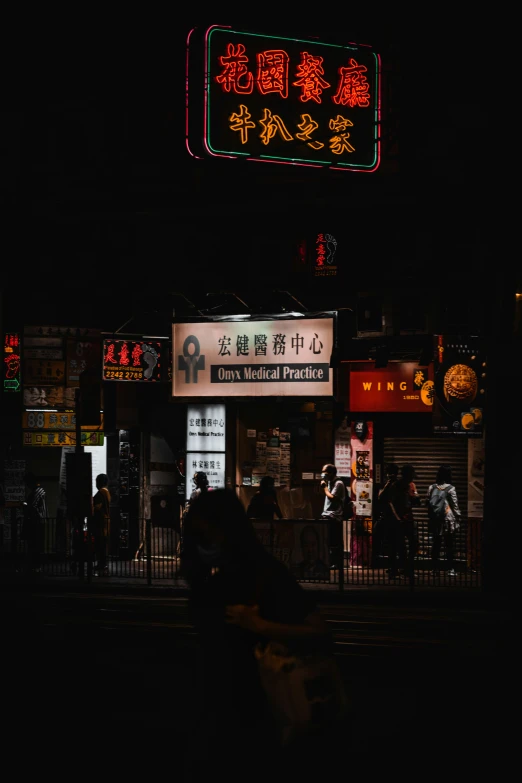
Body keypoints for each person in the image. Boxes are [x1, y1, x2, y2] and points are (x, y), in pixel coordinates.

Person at [180, 488, 335, 781]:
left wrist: (260, 626)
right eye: (198, 536)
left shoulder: (264, 574)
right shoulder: (208, 577)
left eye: (209, 534)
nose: (204, 543)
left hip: (260, 711)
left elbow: (320, 632)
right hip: (216, 714)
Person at [427, 464, 461, 576]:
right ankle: (450, 568)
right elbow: (455, 506)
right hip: (447, 519)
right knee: (449, 545)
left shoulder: (432, 487)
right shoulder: (451, 488)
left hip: (436, 519)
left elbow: (428, 502)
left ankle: (434, 569)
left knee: (436, 545)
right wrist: (458, 517)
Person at [319, 463, 346, 570]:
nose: (323, 475)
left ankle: (336, 563)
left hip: (334, 517)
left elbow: (332, 498)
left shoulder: (338, 483)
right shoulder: (330, 482)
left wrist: (325, 488)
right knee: (328, 541)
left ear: (331, 473)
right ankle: (330, 561)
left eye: (325, 472)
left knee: (335, 541)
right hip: (327, 515)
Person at [375, 463, 399, 569]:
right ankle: (390, 565)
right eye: (389, 473)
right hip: (386, 517)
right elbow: (380, 497)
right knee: (386, 542)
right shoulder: (385, 484)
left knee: (395, 543)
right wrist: (388, 484)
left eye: (392, 473)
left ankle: (394, 567)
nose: (390, 475)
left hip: (395, 518)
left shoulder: (399, 485)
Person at [23, 472, 47, 574]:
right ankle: (36, 566)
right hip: (40, 521)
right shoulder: (41, 491)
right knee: (37, 545)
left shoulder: (36, 492)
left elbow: (32, 507)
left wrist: (24, 505)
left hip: (35, 522)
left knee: (33, 545)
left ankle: (34, 566)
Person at [92, 473, 111, 576]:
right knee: (104, 543)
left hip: (100, 523)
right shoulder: (107, 493)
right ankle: (103, 564)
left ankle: (101, 564)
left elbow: (96, 508)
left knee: (100, 544)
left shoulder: (100, 493)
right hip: (106, 522)